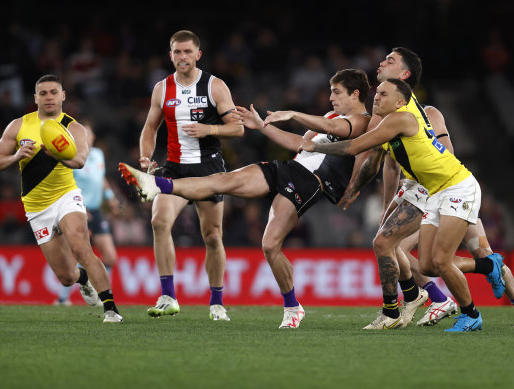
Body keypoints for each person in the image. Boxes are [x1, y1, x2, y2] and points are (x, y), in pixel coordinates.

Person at [119, 69, 372, 328]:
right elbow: (299, 143)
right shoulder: (331, 116)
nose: (331, 98)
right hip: (288, 169)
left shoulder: (364, 122)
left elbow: (334, 128)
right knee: (224, 180)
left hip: (309, 183)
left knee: (270, 245)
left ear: (355, 94)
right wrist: (262, 126)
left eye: (337, 92)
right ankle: (157, 185)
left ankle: (292, 306)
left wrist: (294, 114)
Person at [338, 48, 514, 328]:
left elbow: (447, 151)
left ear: (404, 76)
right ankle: (438, 298)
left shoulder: (427, 112)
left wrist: (426, 183)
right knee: (406, 252)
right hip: (424, 192)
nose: (382, 63)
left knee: (476, 251)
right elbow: (389, 164)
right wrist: (385, 202)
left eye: (390, 61)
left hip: (446, 190)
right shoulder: (385, 116)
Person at [299, 78, 485, 332]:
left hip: (456, 187)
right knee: (430, 265)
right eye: (377, 93)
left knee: (390, 244)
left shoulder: (402, 118)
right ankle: (486, 266)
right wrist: (365, 192)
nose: (376, 97)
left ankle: (458, 314)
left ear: (400, 102)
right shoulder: (389, 125)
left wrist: (317, 145)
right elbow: (381, 164)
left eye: (384, 94)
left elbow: (354, 146)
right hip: (431, 192)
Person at [0, 74, 122, 323]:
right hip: (37, 207)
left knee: (81, 247)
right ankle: (83, 279)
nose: (49, 97)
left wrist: (56, 153)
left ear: (63, 96)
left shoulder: (73, 127)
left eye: (53, 92)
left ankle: (111, 309)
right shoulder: (18, 125)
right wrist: (15, 157)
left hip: (66, 196)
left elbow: (80, 161)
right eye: (43, 93)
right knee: (66, 277)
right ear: (35, 98)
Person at [137, 30, 244, 321]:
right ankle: (168, 296)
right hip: (174, 168)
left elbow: (238, 128)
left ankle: (217, 302)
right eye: (176, 52)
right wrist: (147, 157)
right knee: (159, 222)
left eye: (187, 52)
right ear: (170, 55)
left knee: (212, 235)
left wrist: (209, 129)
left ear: (198, 55)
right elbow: (150, 128)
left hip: (208, 169)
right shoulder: (161, 88)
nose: (182, 57)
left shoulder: (214, 86)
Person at [55, 120, 119, 306]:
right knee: (81, 254)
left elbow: (101, 179)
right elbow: (66, 184)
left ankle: (103, 294)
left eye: (88, 134)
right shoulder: (71, 157)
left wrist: (111, 197)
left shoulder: (98, 154)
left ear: (93, 137)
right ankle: (62, 299)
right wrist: (80, 207)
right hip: (77, 211)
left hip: (96, 211)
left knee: (111, 257)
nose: (85, 138)